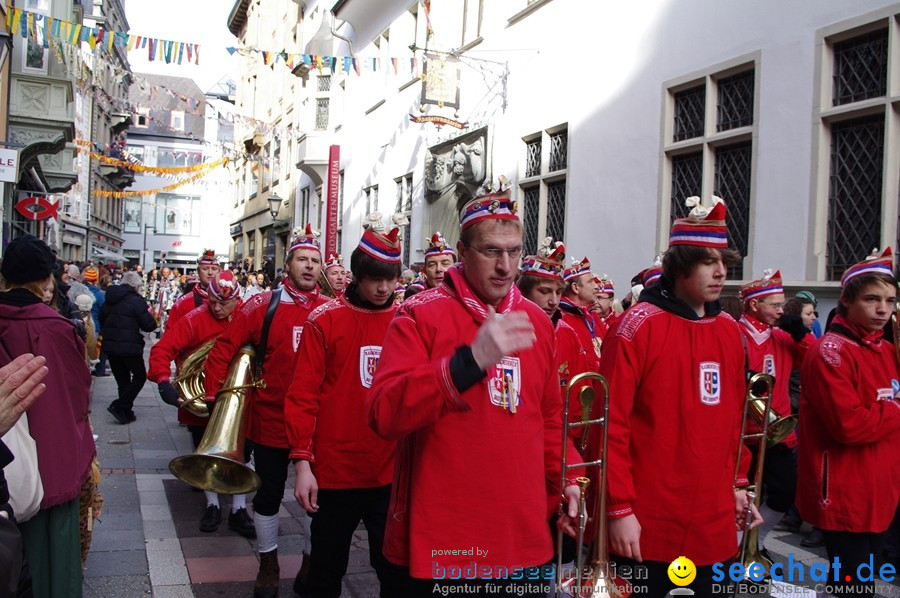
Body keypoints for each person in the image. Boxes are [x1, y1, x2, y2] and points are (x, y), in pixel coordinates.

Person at [368, 190, 580, 596]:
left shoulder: (538, 320)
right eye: (490, 252)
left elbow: (550, 418)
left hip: (523, 536)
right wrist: (467, 363)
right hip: (447, 538)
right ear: (462, 251)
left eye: (514, 252)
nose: (505, 267)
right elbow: (383, 413)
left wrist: (568, 477)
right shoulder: (419, 313)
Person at [596, 196, 759, 597]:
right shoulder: (634, 327)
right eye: (708, 262)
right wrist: (619, 510)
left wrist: (739, 483)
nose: (721, 272)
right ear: (679, 265)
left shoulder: (729, 330)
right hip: (648, 520)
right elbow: (608, 425)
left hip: (714, 515)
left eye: (724, 261)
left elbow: (735, 419)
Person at [205, 224, 329, 598]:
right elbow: (225, 348)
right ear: (288, 263)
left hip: (317, 424)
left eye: (315, 261)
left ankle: (310, 560)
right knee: (268, 494)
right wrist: (213, 399)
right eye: (302, 260)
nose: (309, 267)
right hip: (271, 421)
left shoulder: (331, 308)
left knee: (318, 500)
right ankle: (268, 563)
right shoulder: (262, 305)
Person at [286, 226, 406, 597]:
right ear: (356, 276)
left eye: (389, 280)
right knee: (325, 570)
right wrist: (303, 465)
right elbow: (303, 396)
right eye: (374, 280)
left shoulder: (407, 320)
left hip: (390, 470)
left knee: (394, 571)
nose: (383, 289)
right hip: (335, 471)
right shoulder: (324, 319)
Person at [796, 247, 900, 596]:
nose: (883, 309)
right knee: (853, 587)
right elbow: (850, 426)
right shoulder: (830, 351)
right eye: (872, 299)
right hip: (845, 491)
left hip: (882, 489)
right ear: (847, 300)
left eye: (889, 300)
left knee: (858, 583)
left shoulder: (886, 350)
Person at [0, 236, 95, 598]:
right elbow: (77, 396)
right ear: (45, 281)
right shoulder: (56, 328)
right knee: (52, 562)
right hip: (51, 459)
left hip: (4, 461)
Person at [147, 270, 254, 537]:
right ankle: (212, 505)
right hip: (202, 400)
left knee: (245, 452)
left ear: (237, 299)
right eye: (212, 301)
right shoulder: (194, 319)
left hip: (239, 397)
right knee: (203, 452)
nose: (216, 308)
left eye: (224, 303)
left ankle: (239, 509)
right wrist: (162, 381)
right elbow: (162, 349)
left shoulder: (249, 315)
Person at [736, 269, 813, 542]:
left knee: (784, 492)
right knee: (741, 494)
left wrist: (802, 334)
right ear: (754, 304)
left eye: (783, 304)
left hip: (777, 432)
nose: (781, 311)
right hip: (742, 432)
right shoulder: (734, 333)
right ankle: (733, 546)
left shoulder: (782, 336)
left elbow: (814, 363)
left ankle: (754, 542)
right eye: (775, 305)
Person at [100, 271, 158, 424]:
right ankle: (120, 406)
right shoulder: (136, 301)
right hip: (129, 346)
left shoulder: (110, 298)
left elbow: (102, 318)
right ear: (136, 286)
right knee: (139, 377)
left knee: (123, 379)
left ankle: (125, 411)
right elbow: (149, 325)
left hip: (111, 345)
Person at [166, 249, 220, 333]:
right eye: (205, 269)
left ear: (219, 271)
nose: (210, 272)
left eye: (214, 269)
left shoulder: (229, 300)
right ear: (198, 271)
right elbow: (170, 335)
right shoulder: (183, 303)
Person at [82, 266, 108, 376]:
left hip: (81, 324)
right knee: (92, 351)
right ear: (96, 280)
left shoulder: (80, 291)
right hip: (95, 326)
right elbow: (104, 310)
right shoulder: (99, 295)